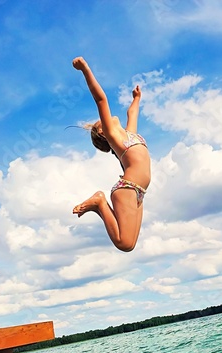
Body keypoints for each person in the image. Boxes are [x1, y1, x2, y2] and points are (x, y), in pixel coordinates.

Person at [72, 56, 151, 252]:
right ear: (102, 132)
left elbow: (131, 114)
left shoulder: (129, 135)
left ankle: (100, 204)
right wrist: (85, 69)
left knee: (129, 244)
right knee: (124, 243)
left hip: (139, 192)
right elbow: (101, 99)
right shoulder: (113, 135)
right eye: (101, 123)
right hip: (128, 188)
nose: (104, 120)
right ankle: (99, 202)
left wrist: (136, 99)